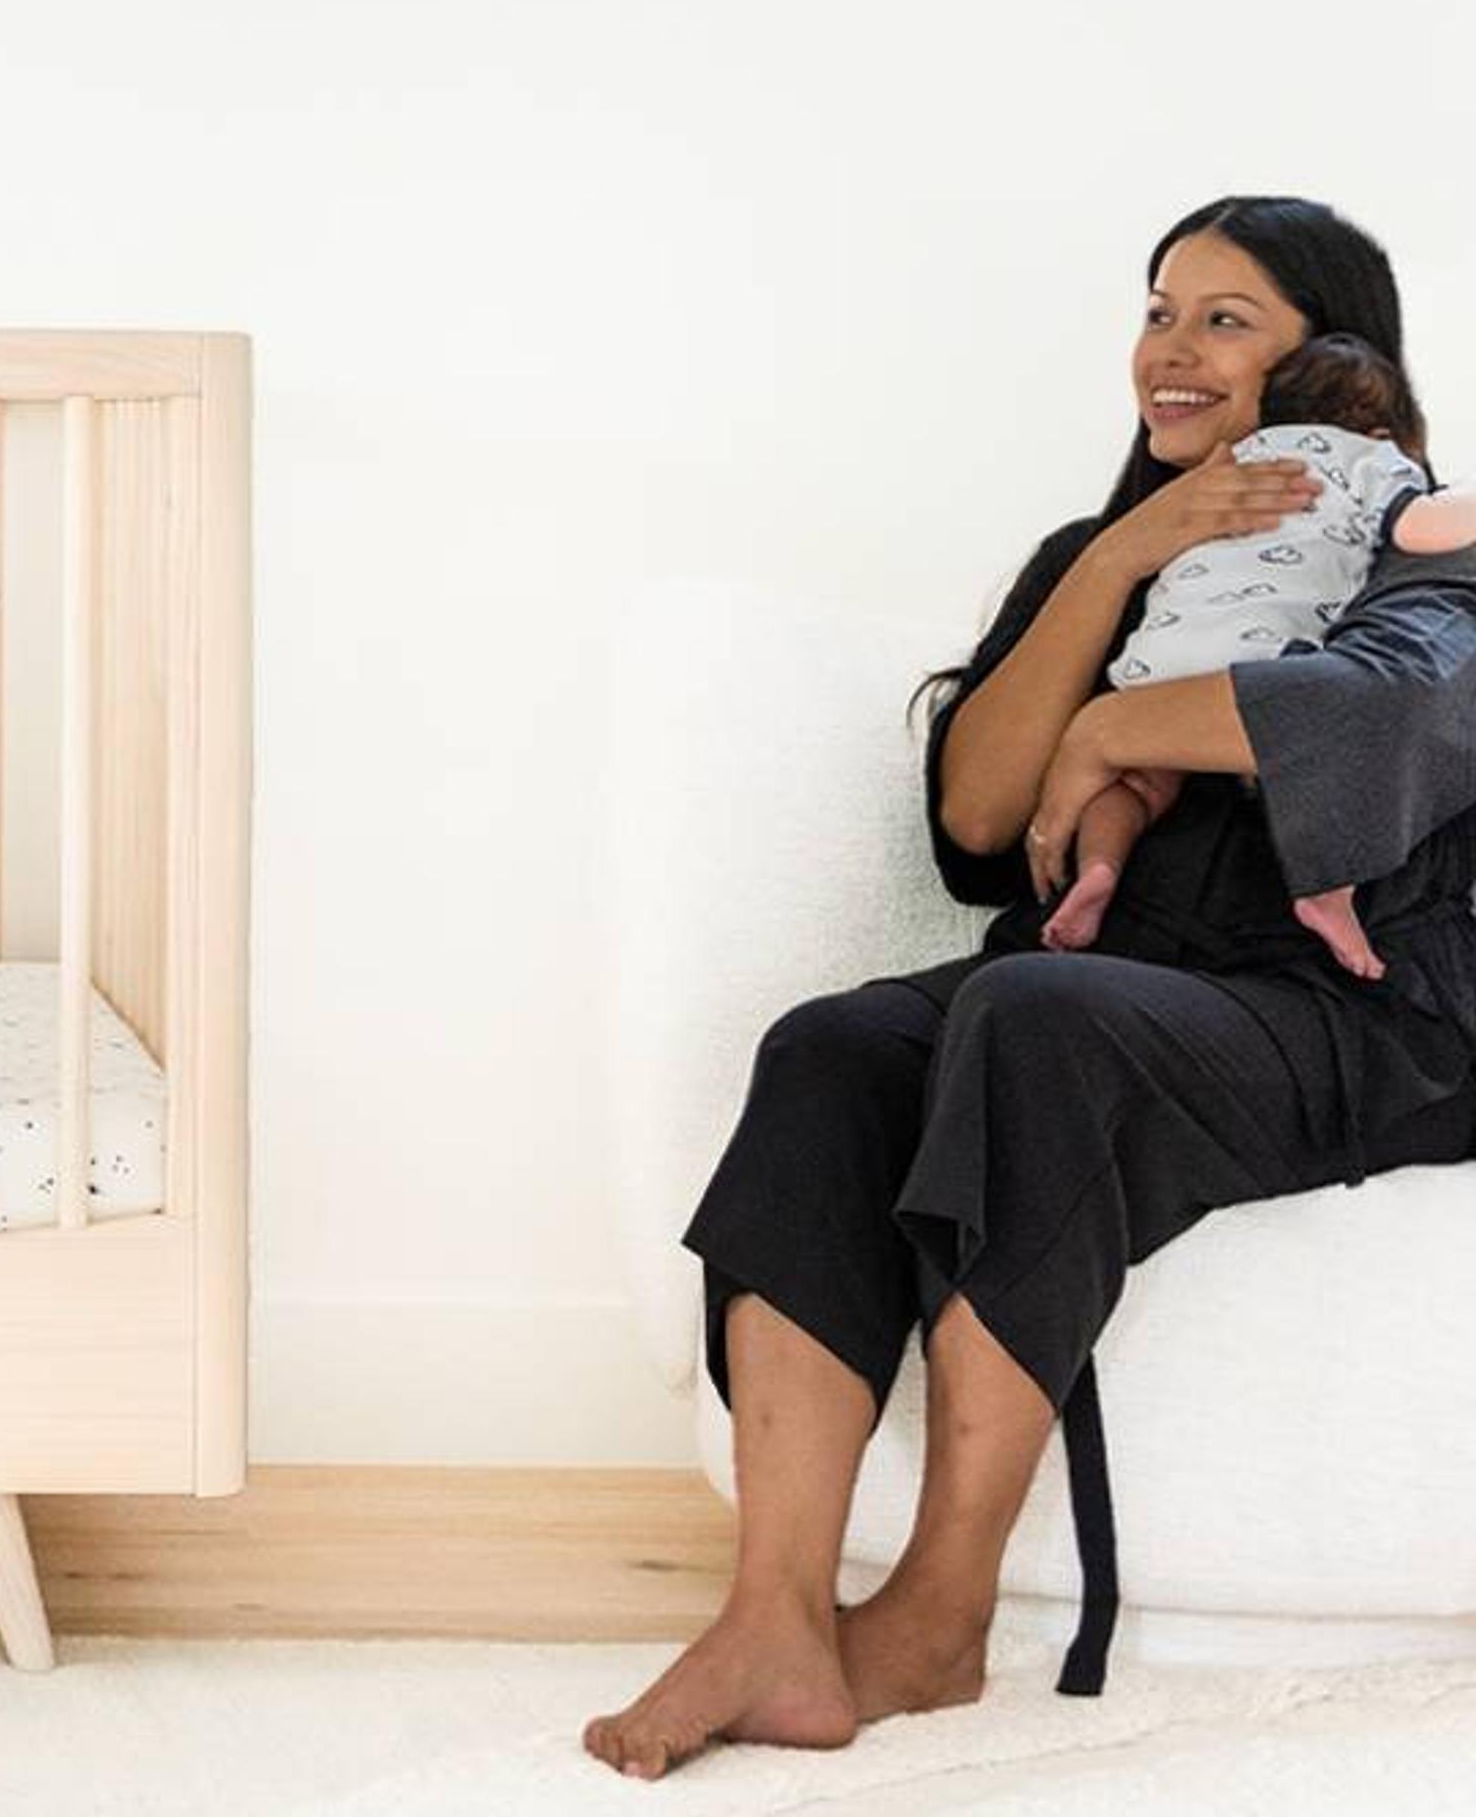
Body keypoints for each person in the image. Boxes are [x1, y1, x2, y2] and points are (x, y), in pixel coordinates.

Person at [584, 194, 1476, 1779]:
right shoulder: (1101, 560)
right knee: (835, 1046)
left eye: (1225, 318)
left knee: (1033, 1016)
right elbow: (983, 820)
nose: (1170, 349)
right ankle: (773, 1616)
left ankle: (938, 1611)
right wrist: (1124, 551)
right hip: (1120, 976)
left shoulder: (1428, 536)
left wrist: (1117, 730)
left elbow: (1384, 716)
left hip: (1352, 1014)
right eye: (1158, 309)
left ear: (1328, 352)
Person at [1047, 332, 1472, 968]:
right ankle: (1325, 893)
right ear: (1386, 430)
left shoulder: (1232, 462)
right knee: (1311, 758)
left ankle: (1098, 871)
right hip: (1258, 659)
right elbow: (1420, 529)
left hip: (1161, 652)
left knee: (1139, 784)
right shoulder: (1369, 461)